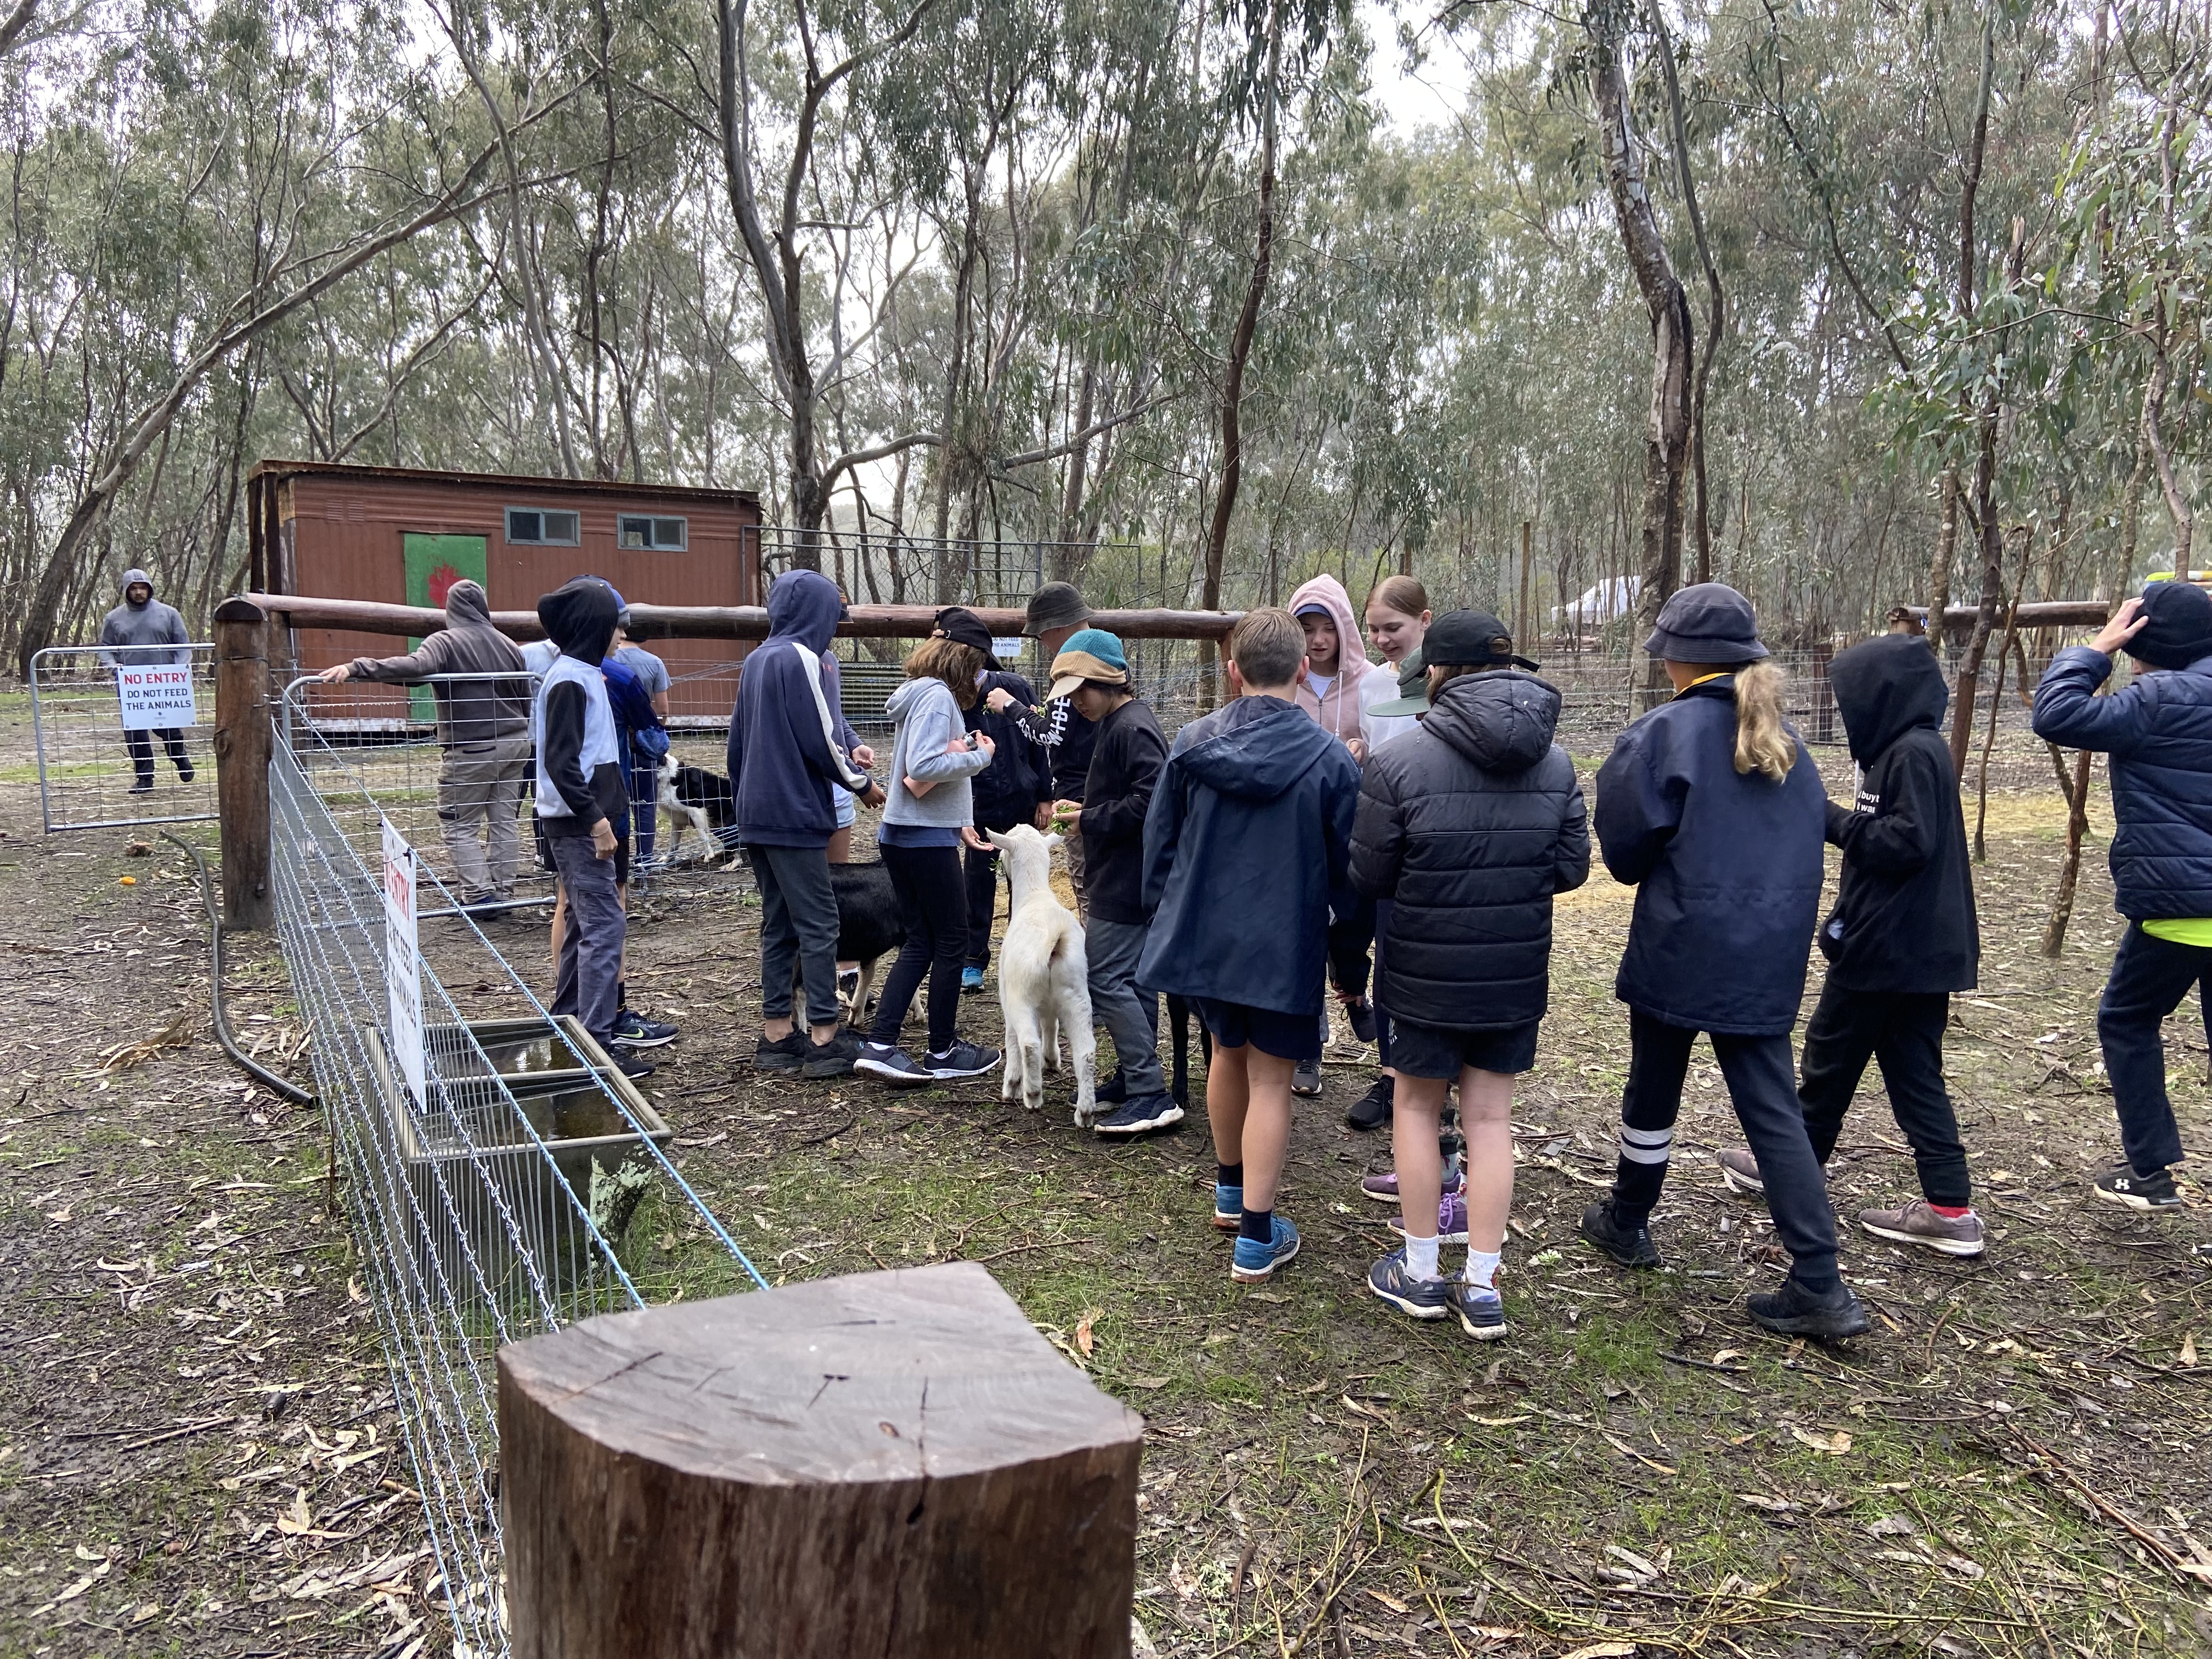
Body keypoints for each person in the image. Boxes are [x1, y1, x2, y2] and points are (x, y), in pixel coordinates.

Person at [1583, 583, 1869, 1340]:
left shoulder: (1661, 735)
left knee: (1653, 1088)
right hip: (1767, 953)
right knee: (1773, 1110)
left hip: (1681, 944)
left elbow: (1625, 855)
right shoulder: (1788, 743)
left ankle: (1628, 1219)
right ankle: (1820, 1280)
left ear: (1675, 659)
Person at [1350, 612, 1588, 1339]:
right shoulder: (1556, 764)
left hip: (1421, 973)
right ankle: (1482, 1287)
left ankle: (1422, 1273)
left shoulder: (1399, 762)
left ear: (1437, 674)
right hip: (1512, 974)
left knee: (1416, 1110)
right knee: (1490, 1121)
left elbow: (1369, 874)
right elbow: (1572, 868)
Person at [1716, 634, 1984, 1255]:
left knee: (1829, 1059)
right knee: (1913, 1075)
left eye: (1853, 698)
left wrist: (1829, 817)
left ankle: (1789, 1170)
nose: (1847, 710)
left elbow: (1907, 843)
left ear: (1883, 696)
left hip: (1888, 951)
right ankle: (1950, 1209)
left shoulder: (1912, 754)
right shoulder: (1908, 752)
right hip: (1911, 950)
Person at [1137, 607, 1362, 1283]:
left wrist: (1167, 917)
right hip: (1285, 944)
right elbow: (1350, 874)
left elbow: (1160, 846)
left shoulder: (1191, 743)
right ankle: (1257, 1237)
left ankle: (1230, 1193)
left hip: (1207, 940)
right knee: (1272, 1081)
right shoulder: (1331, 759)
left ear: (1234, 670)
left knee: (1225, 1055)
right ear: (1303, 667)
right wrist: (1348, 957)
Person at [2032, 579, 2212, 1214]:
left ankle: (2150, 1170)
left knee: (2127, 1020)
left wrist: (2096, 649)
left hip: (2183, 910)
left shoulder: (2158, 700)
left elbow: (2055, 714)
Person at [730, 569, 884, 1080]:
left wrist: (744, 801)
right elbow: (821, 737)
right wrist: (861, 784)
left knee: (778, 922)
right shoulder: (802, 659)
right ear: (816, 613)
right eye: (832, 615)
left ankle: (777, 1034)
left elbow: (737, 742)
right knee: (819, 922)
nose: (835, 626)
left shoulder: (757, 659)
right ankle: (824, 1036)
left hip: (756, 814)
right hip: (794, 812)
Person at [317, 580, 533, 910]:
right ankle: (503, 893)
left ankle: (479, 895)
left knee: (458, 824)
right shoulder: (509, 645)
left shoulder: (445, 642)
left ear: (450, 610)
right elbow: (524, 695)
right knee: (504, 821)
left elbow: (416, 667)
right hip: (516, 742)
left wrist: (357, 667)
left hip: (472, 748)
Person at [855, 610, 1004, 1085]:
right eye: (978, 666)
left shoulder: (917, 692)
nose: (979, 677)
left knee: (921, 940)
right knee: (952, 941)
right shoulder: (938, 698)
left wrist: (959, 822)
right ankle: (942, 1049)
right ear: (962, 658)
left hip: (904, 834)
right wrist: (981, 756)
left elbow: (921, 776)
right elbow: (922, 767)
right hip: (923, 841)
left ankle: (881, 1043)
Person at [1045, 629, 1174, 1136]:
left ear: (1108, 680)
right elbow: (1128, 797)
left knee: (1104, 978)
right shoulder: (1117, 722)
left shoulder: (1132, 727)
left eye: (1082, 690)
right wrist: (1087, 810)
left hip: (1128, 880)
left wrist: (1089, 820)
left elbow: (1152, 803)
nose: (1076, 702)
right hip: (1120, 875)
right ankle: (1134, 1076)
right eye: (1070, 693)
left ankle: (1149, 1090)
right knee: (1133, 980)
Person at [530, 577, 651, 1079]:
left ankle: (569, 1024)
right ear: (592, 628)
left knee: (585, 923)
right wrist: (597, 821)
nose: (621, 635)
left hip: (587, 820)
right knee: (605, 926)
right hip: (578, 825)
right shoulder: (569, 682)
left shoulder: (585, 675)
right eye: (614, 626)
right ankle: (597, 1046)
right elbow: (562, 764)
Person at [1345, 574, 1434, 1132]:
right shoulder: (1371, 685)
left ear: (1425, 621)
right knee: (1389, 957)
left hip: (1436, 841)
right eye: (1374, 630)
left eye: (1392, 627)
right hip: (1386, 837)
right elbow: (1375, 746)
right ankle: (1391, 1075)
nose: (1382, 639)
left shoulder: (1446, 679)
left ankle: (1435, 1079)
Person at [1285, 573, 1378, 1099]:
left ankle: (1355, 989)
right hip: (1299, 831)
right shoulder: (1286, 681)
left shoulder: (1371, 681)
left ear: (1345, 629)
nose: (1319, 640)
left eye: (1328, 628)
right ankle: (1308, 1048)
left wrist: (1363, 747)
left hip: (1354, 826)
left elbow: (1391, 741)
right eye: (1307, 629)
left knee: (1352, 924)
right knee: (1303, 933)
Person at [991, 583, 1098, 918]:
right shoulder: (1105, 657)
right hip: (1100, 789)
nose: (1042, 642)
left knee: (1085, 882)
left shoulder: (1071, 667)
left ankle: (1092, 948)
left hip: (1077, 794)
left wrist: (1011, 707)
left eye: (1041, 635)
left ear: (1057, 628)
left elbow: (1052, 735)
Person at [961, 633, 1053, 992]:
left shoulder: (1015, 687)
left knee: (1026, 880)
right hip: (978, 805)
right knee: (978, 881)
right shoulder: (953, 696)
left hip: (1021, 800)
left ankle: (1024, 952)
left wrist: (1045, 796)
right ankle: (973, 959)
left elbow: (1039, 744)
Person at [97, 568, 194, 793]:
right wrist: (113, 667)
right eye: (134, 588)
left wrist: (180, 670)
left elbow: (183, 645)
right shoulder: (113, 619)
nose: (139, 592)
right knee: (136, 732)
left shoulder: (169, 614)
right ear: (125, 591)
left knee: (168, 727)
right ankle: (145, 778)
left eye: (143, 588)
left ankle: (180, 758)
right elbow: (105, 648)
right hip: (131, 684)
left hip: (165, 682)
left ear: (150, 589)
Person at [611, 619, 672, 868]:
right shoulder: (654, 662)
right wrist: (654, 734)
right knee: (645, 802)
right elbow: (663, 709)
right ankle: (645, 860)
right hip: (642, 743)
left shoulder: (608, 660)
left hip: (614, 741)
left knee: (615, 800)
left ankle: (616, 861)